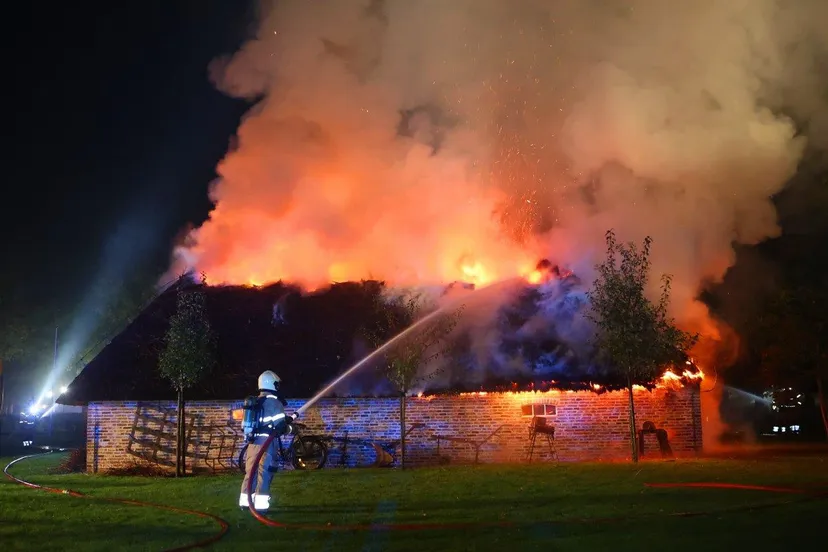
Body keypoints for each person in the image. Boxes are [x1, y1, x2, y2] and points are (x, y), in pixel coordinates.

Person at [239, 370, 297, 512]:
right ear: (272, 384)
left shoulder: (255, 402)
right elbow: (281, 428)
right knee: (265, 472)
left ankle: (245, 502)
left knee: (250, 472)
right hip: (267, 444)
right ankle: (261, 506)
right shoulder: (275, 403)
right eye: (277, 384)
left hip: (252, 443)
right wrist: (291, 429)